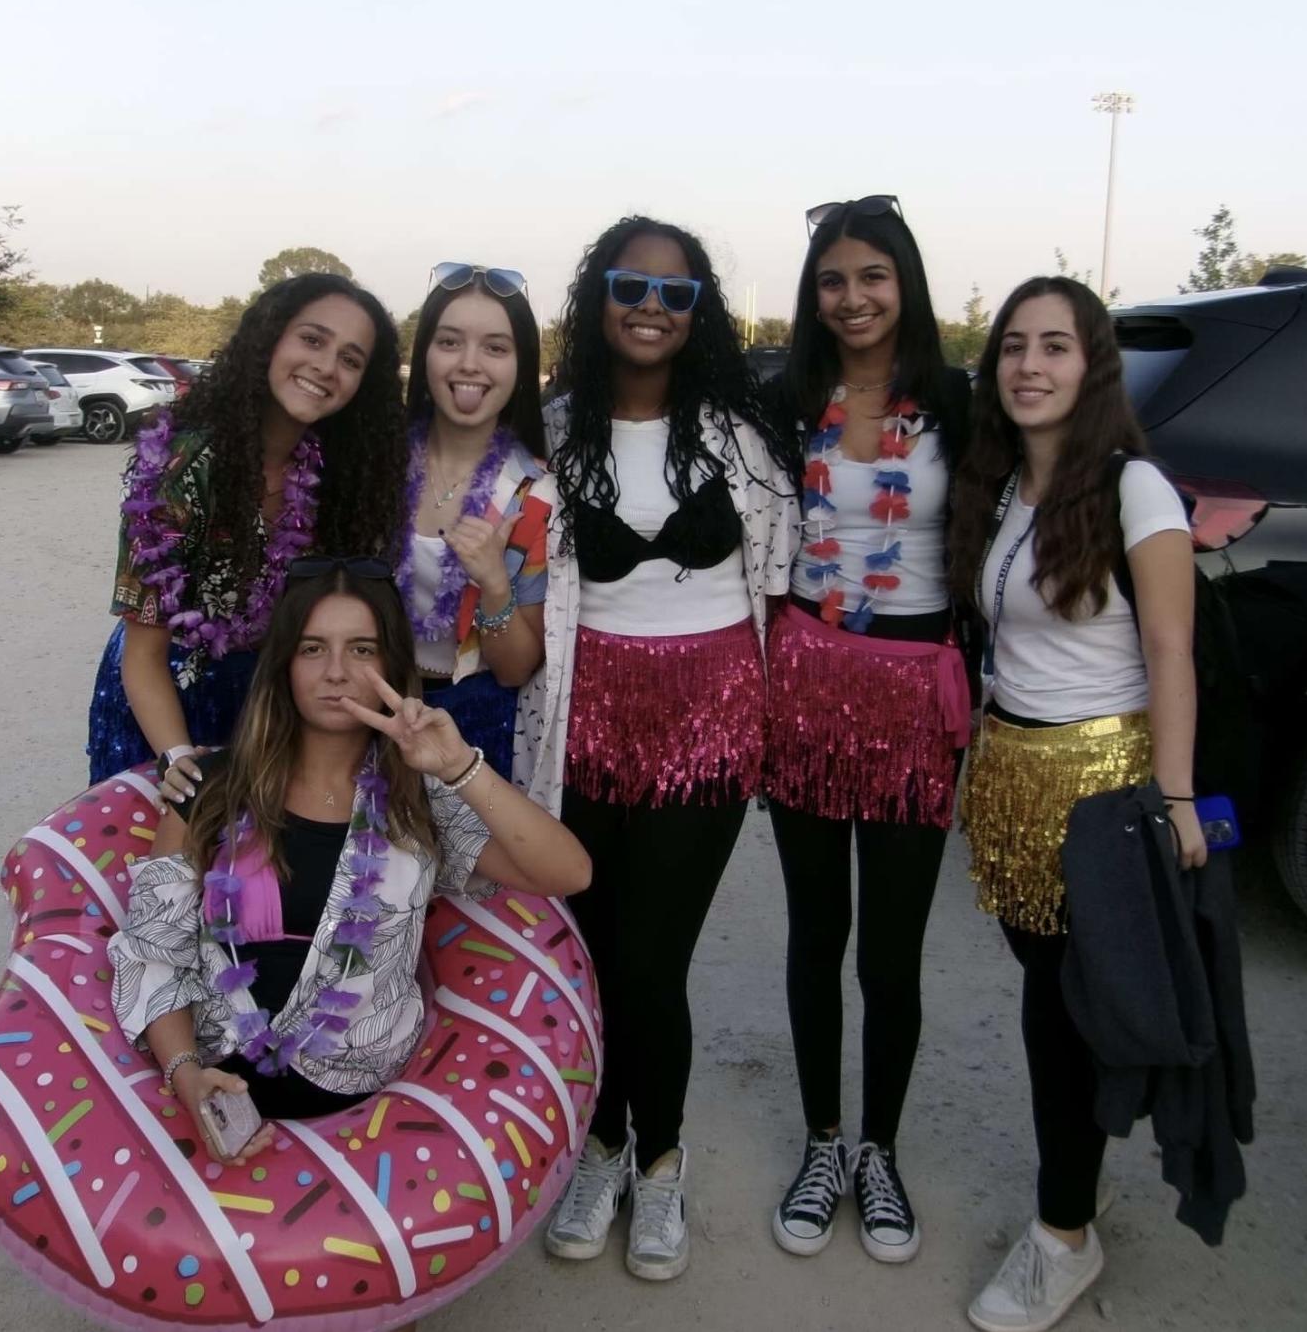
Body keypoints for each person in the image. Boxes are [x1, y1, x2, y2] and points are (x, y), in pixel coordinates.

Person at [528, 215, 801, 1280]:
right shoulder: (550, 431)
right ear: (598, 296)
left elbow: (779, 584)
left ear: (700, 314)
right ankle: (601, 1149)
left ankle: (663, 1161)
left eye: (676, 293)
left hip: (710, 715)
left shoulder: (740, 440)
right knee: (593, 951)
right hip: (585, 714)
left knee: (654, 956)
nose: (651, 305)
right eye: (631, 284)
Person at [108, 558, 591, 1145]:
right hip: (217, 1091)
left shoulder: (421, 799)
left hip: (374, 1118)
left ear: (391, 662)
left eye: (361, 650)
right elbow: (155, 951)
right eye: (313, 649)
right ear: (283, 663)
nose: (336, 672)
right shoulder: (209, 788)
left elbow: (569, 872)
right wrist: (186, 1075)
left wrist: (459, 766)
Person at [947, 277, 1207, 1332]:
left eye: (1056, 346)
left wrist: (1178, 797)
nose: (1030, 366)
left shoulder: (1134, 486)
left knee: (1062, 1016)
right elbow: (1002, 651)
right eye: (1014, 345)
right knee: (1050, 995)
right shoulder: (1002, 485)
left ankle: (1063, 1236)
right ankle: (1081, 1165)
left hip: (1103, 791)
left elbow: (1170, 648)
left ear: (1092, 364)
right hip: (1011, 776)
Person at [761, 196, 973, 1265]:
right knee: (815, 934)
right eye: (833, 279)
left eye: (872, 277)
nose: (853, 298)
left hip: (911, 693)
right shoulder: (783, 399)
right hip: (804, 685)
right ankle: (822, 1140)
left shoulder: (956, 403)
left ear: (907, 285)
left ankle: (879, 1151)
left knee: (892, 951)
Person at [88, 274, 407, 786]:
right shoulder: (181, 467)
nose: (326, 367)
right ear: (270, 338)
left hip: (265, 708)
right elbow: (143, 652)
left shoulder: (342, 478)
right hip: (162, 706)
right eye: (312, 339)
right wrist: (178, 760)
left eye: (350, 359)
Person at [395, 262, 555, 781]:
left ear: (521, 364)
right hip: (366, 713)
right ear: (423, 356)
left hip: (470, 732)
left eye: (495, 347)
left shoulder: (535, 494)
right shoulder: (375, 468)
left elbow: (513, 670)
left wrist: (493, 583)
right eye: (449, 342)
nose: (470, 364)